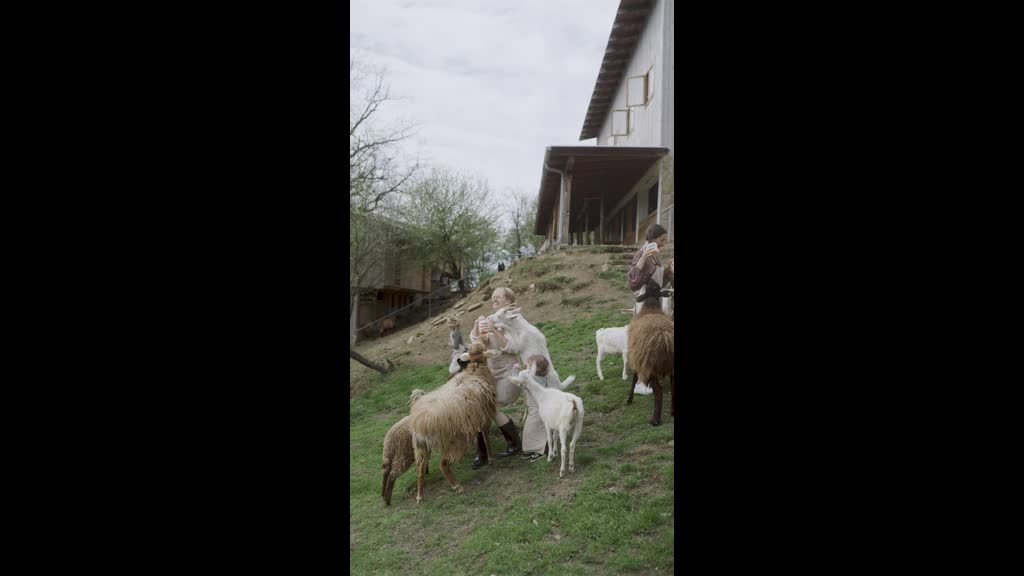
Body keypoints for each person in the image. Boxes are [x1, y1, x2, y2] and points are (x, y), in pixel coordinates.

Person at [469, 287, 523, 467]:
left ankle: (512, 444)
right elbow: (476, 344)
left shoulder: (513, 319)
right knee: (480, 407)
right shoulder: (491, 319)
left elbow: (514, 347)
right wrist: (478, 326)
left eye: (498, 297)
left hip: (509, 374)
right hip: (492, 377)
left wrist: (495, 331)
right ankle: (485, 451)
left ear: (508, 300)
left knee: (490, 408)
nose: (494, 299)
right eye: (492, 297)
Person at [627, 224, 674, 395]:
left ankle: (653, 373)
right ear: (652, 239)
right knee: (643, 338)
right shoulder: (643, 254)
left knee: (653, 339)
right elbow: (632, 282)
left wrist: (669, 270)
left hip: (656, 301)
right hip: (645, 302)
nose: (663, 243)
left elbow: (659, 282)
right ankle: (640, 381)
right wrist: (641, 260)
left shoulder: (656, 257)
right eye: (661, 240)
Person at [519, 354, 552, 461]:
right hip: (543, 406)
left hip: (535, 409)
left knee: (531, 429)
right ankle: (542, 446)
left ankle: (537, 450)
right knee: (540, 428)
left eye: (528, 365)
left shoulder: (531, 380)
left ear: (534, 369)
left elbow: (517, 381)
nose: (525, 366)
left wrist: (515, 371)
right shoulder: (542, 378)